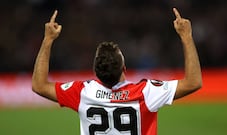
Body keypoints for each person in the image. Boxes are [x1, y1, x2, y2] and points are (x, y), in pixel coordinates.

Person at [32, 8, 202, 135]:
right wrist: (186, 37)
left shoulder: (83, 92)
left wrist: (48, 39)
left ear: (95, 72)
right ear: (124, 68)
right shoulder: (145, 93)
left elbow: (39, 86)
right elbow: (193, 82)